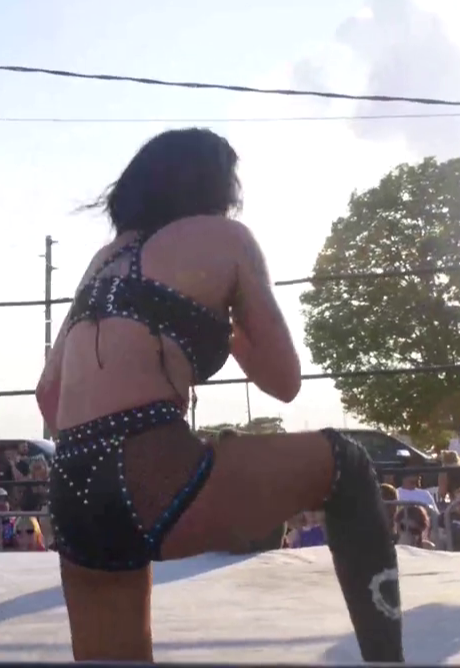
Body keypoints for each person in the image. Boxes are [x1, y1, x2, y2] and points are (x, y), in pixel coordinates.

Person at [34, 129, 402, 663]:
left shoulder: (102, 260)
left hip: (71, 484)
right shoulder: (225, 239)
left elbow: (47, 396)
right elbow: (284, 380)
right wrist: (227, 326)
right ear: (216, 187)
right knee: (346, 465)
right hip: (150, 468)